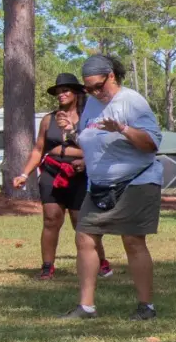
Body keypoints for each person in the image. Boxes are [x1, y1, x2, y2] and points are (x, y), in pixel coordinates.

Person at [61, 55, 163, 321]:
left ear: (111, 76)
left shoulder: (131, 101)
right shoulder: (92, 105)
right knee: (84, 237)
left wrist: (123, 128)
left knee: (132, 240)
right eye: (88, 88)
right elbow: (92, 140)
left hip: (136, 182)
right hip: (99, 185)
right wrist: (77, 139)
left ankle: (146, 307)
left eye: (98, 86)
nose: (94, 92)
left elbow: (152, 144)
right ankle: (86, 307)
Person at [14, 73, 111, 280]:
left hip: (80, 174)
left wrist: (85, 162)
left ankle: (100, 261)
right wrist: (24, 173)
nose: (61, 95)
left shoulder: (89, 117)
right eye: (58, 92)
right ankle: (47, 266)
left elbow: (99, 146)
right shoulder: (49, 119)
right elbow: (38, 150)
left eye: (65, 90)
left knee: (81, 222)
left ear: (76, 93)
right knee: (51, 219)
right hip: (52, 172)